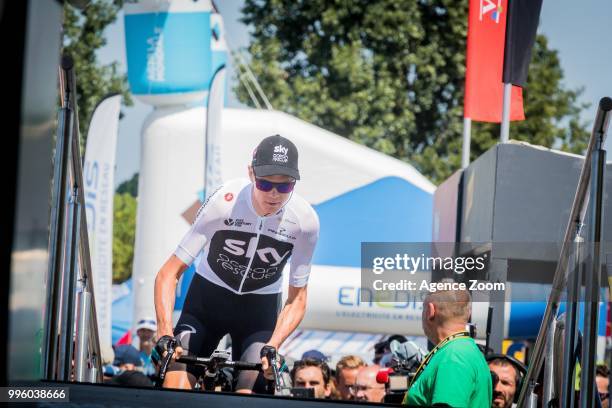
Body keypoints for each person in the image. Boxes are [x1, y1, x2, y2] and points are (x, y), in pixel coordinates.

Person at [154, 135, 320, 393]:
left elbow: (297, 299)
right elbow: (168, 273)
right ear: (251, 173)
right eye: (265, 184)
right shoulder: (225, 203)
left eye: (285, 186)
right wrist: (164, 332)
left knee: (248, 395)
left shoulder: (305, 222)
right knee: (174, 387)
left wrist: (274, 345)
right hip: (207, 302)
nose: (274, 194)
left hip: (258, 312)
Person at [403, 288, 492, 407]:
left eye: (423, 310)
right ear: (468, 313)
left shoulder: (452, 357)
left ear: (431, 311)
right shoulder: (463, 349)